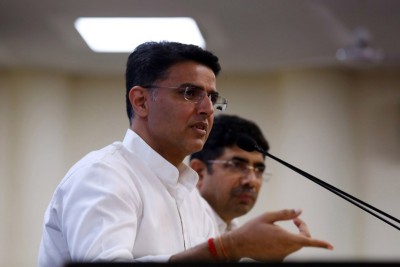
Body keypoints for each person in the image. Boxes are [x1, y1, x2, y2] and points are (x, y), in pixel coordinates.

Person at [38, 41, 333, 267]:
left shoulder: (191, 195)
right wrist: (227, 248)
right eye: (190, 93)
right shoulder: (104, 174)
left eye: (212, 98)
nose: (206, 109)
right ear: (141, 101)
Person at [190, 114, 270, 235]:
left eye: (258, 169)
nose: (251, 181)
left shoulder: (234, 232)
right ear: (199, 172)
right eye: (236, 165)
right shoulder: (180, 225)